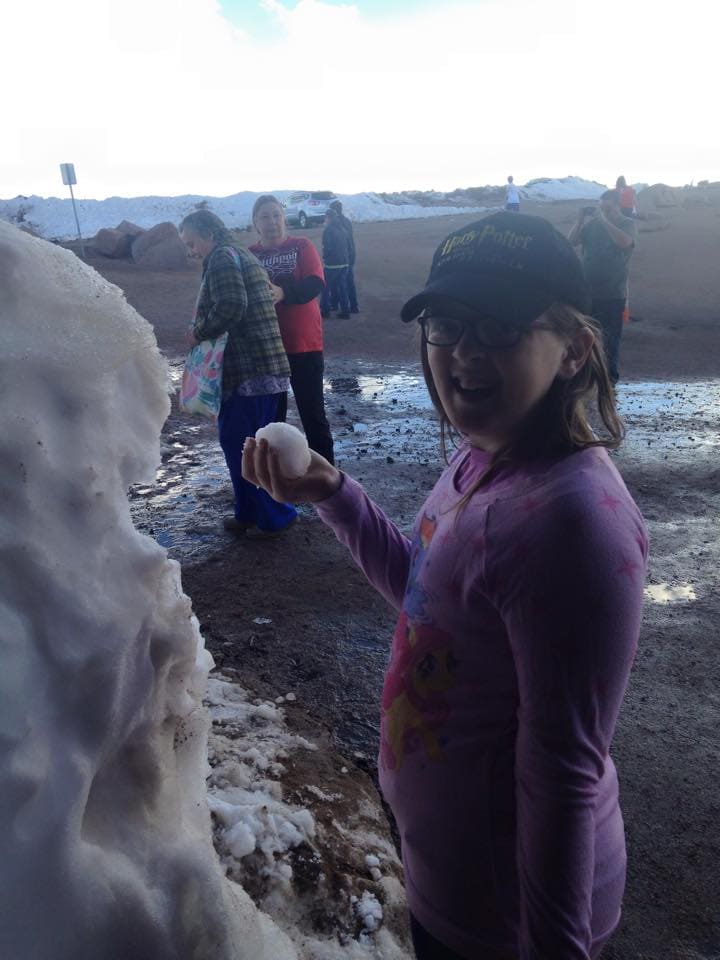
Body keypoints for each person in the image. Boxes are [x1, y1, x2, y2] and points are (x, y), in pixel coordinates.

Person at [243, 212, 648, 960]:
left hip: (510, 919)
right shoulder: (483, 455)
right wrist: (333, 491)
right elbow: (432, 603)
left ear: (574, 350)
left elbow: (561, 769)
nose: (463, 351)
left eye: (496, 326)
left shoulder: (574, 524)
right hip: (455, 886)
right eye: (446, 324)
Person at [179, 210, 297, 540]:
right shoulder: (239, 253)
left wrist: (198, 332)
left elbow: (231, 305)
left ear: (208, 234)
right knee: (246, 444)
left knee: (243, 446)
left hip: (249, 371)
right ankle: (248, 512)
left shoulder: (221, 257)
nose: (191, 251)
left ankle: (276, 515)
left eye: (191, 243)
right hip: (263, 368)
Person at [249, 195, 335, 464]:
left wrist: (283, 292)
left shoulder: (301, 246)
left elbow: (315, 283)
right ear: (255, 222)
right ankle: (275, 476)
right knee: (272, 419)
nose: (272, 221)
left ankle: (327, 481)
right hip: (267, 347)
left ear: (284, 218)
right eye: (265, 216)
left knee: (313, 414)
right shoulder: (251, 255)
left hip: (304, 344)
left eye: (276, 215)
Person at [569, 190, 636, 384]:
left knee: (610, 338)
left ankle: (609, 379)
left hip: (613, 292)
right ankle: (587, 375)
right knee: (585, 335)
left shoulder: (627, 224)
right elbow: (571, 242)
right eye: (601, 207)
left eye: (608, 207)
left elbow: (625, 243)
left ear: (617, 206)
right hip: (588, 291)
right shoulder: (592, 226)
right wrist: (580, 220)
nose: (604, 211)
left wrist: (604, 220)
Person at [320, 208, 351, 319]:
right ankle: (345, 311)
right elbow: (348, 245)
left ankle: (325, 310)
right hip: (344, 263)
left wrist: (325, 258)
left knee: (325, 287)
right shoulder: (342, 229)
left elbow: (327, 247)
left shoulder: (328, 230)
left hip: (332, 264)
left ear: (328, 217)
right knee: (342, 287)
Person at [330, 199, 359, 313]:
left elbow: (334, 243)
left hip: (339, 258)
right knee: (349, 281)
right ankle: (354, 306)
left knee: (335, 281)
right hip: (350, 255)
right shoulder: (347, 221)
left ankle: (335, 304)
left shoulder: (335, 223)